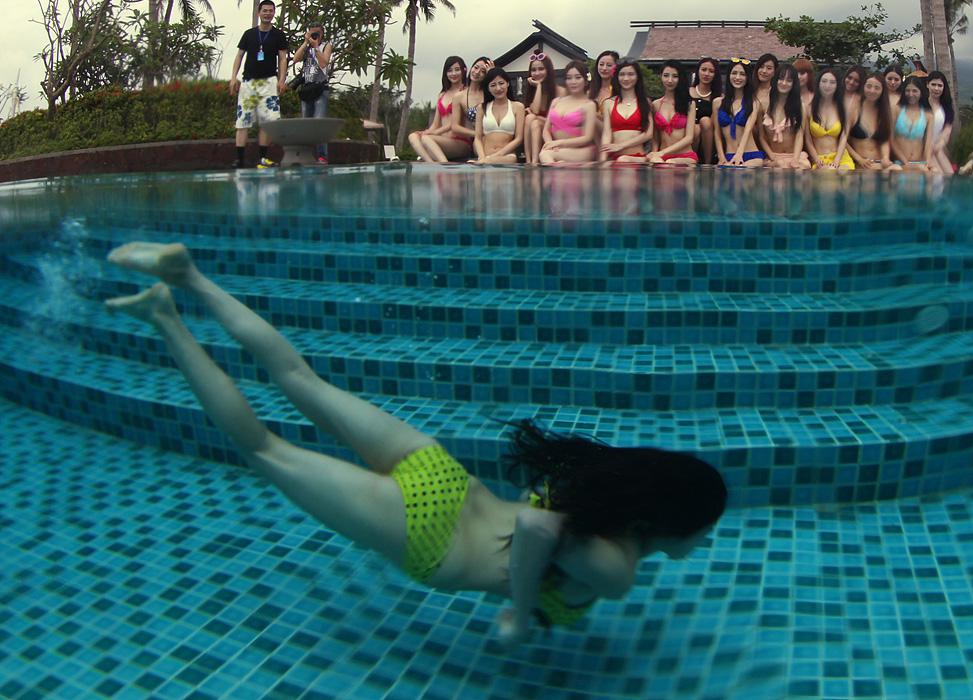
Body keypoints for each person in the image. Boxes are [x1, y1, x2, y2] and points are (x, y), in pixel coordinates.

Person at [102, 242, 729, 645]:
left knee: (300, 379)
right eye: (703, 529)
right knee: (265, 450)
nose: (702, 541)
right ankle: (165, 315)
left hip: (445, 477)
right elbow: (538, 530)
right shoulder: (617, 569)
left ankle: (190, 277)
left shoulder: (607, 500)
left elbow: (540, 522)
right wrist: (518, 611)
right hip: (431, 536)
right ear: (673, 520)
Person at [229, 0, 290, 170]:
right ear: (259, 13)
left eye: (271, 11)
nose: (267, 14)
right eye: (265, 11)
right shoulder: (249, 34)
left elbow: (283, 58)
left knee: (267, 122)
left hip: (269, 83)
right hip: (248, 83)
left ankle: (262, 159)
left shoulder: (278, 35)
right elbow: (239, 56)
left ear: (274, 13)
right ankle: (240, 160)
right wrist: (233, 77)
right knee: (243, 121)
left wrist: (282, 80)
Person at [408, 56, 468, 162]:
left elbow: (454, 124)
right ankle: (431, 164)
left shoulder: (466, 92)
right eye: (450, 70)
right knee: (413, 136)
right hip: (441, 139)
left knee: (427, 138)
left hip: (459, 141)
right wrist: (427, 131)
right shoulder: (442, 94)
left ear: (464, 70)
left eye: (457, 69)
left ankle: (444, 165)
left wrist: (434, 133)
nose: (453, 73)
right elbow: (436, 124)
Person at [538, 61, 598, 165]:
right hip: (557, 149)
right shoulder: (556, 101)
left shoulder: (589, 105)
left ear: (586, 81)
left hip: (581, 150)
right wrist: (550, 143)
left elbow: (587, 137)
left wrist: (559, 143)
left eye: (578, 77)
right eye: (569, 78)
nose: (573, 81)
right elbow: (546, 130)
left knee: (545, 154)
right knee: (547, 154)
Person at [291, 22, 333, 164]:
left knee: (319, 122)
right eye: (312, 32)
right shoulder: (307, 47)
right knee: (306, 123)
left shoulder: (326, 45)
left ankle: (322, 155)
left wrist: (316, 47)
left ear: (322, 34)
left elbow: (324, 63)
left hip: (321, 88)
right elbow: (295, 59)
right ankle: (306, 155)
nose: (315, 35)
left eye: (317, 33)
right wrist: (306, 42)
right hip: (307, 88)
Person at [441, 57, 493, 164]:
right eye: (476, 67)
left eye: (483, 71)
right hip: (477, 139)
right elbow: (455, 127)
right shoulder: (460, 96)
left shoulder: (490, 94)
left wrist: (492, 74)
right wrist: (477, 134)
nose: (477, 72)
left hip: (495, 134)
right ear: (471, 68)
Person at [713, 59, 764, 167]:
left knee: (740, 169)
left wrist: (739, 154)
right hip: (728, 156)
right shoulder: (717, 103)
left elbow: (748, 129)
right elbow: (717, 133)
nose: (737, 77)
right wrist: (721, 157)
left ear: (747, 78)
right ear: (729, 75)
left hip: (751, 156)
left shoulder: (754, 103)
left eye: (742, 74)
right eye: (734, 73)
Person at [758, 63, 810, 169]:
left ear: (794, 84)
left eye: (789, 80)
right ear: (775, 80)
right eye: (781, 79)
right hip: (772, 157)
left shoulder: (800, 107)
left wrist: (795, 160)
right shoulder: (764, 105)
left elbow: (800, 135)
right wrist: (773, 157)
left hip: (794, 156)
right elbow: (761, 136)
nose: (784, 83)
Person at [600, 61, 653, 163]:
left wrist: (621, 145)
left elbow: (648, 133)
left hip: (637, 158)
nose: (626, 78)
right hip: (615, 158)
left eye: (631, 74)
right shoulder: (608, 103)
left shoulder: (645, 102)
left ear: (637, 77)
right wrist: (602, 160)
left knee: (623, 159)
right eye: (622, 74)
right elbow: (606, 134)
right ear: (617, 77)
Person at [648, 61, 697, 165]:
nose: (670, 80)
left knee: (670, 162)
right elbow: (655, 138)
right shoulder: (656, 104)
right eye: (666, 75)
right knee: (659, 162)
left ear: (680, 78)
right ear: (660, 76)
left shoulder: (689, 104)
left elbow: (689, 138)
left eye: (675, 76)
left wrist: (662, 152)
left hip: (684, 156)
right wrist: (655, 153)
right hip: (662, 156)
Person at [804, 68, 854, 171]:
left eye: (832, 82)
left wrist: (836, 161)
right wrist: (816, 159)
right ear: (818, 83)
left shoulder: (843, 109)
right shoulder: (809, 109)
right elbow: (808, 140)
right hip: (819, 159)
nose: (827, 85)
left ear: (837, 85)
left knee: (842, 172)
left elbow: (844, 137)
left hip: (840, 158)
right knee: (828, 173)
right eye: (824, 81)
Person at [473, 67, 525, 164]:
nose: (498, 88)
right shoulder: (482, 108)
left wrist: (495, 156)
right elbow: (478, 138)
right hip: (485, 156)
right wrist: (482, 157)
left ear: (507, 83)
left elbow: (519, 138)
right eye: (493, 85)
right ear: (488, 88)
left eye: (501, 83)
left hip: (507, 157)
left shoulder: (518, 107)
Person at [846, 73, 896, 171]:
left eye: (877, 88)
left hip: (879, 162)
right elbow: (843, 140)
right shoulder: (854, 110)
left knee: (896, 169)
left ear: (882, 91)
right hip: (861, 164)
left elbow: (885, 139)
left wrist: (885, 157)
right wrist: (859, 159)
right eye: (869, 86)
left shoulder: (884, 113)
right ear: (863, 87)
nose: (872, 91)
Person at [522, 52, 564, 165]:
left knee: (532, 118)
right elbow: (535, 111)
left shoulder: (560, 91)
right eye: (533, 70)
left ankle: (534, 161)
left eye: (541, 69)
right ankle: (530, 161)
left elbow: (559, 123)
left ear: (548, 70)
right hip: (537, 131)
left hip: (555, 133)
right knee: (531, 119)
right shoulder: (533, 92)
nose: (537, 73)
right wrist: (539, 87)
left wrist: (538, 85)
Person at [892, 76, 934, 174]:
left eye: (915, 91)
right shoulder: (896, 110)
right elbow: (891, 139)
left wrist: (928, 161)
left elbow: (928, 143)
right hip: (900, 163)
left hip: (920, 162)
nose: (911, 94)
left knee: (934, 172)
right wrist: (905, 162)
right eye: (907, 91)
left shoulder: (928, 115)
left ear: (921, 93)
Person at [690, 57, 721, 165]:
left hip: (709, 137)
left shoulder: (718, 98)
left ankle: (708, 162)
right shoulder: (687, 92)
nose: (707, 74)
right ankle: (691, 159)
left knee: (705, 121)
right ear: (698, 71)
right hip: (688, 135)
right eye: (704, 70)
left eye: (711, 71)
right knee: (695, 128)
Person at [925, 70, 955, 176]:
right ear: (927, 84)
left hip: (938, 148)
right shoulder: (922, 105)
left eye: (940, 85)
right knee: (938, 176)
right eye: (933, 84)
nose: (936, 88)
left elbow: (947, 130)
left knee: (949, 175)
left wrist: (940, 144)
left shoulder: (947, 108)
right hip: (923, 148)